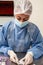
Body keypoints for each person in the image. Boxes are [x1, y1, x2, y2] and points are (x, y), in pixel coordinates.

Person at [0, 0, 43, 65]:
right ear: (14, 14)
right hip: (8, 59)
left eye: (25, 19)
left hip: (25, 59)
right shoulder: (6, 27)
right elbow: (1, 45)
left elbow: (39, 45)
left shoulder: (33, 29)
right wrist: (9, 52)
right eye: (18, 18)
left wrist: (31, 53)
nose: (21, 22)